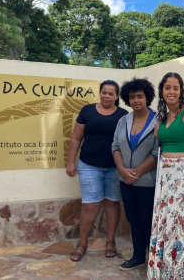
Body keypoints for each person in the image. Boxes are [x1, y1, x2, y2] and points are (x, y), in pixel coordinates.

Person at [66, 80, 128, 262]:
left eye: (111, 93)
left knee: (112, 204)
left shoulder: (124, 115)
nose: (106, 96)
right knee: (90, 205)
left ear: (117, 96)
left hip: (114, 168)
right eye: (104, 92)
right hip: (88, 165)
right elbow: (76, 138)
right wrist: (71, 162)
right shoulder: (87, 111)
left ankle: (110, 241)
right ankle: (82, 243)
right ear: (99, 93)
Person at [147, 72, 184, 280]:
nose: (171, 91)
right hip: (165, 178)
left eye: (175, 88)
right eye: (167, 87)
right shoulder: (161, 118)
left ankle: (180, 274)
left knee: (180, 225)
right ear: (161, 91)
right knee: (164, 223)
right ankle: (162, 271)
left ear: (181, 91)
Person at [111, 77, 159, 271]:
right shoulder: (124, 120)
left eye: (140, 96)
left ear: (147, 97)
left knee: (148, 220)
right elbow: (115, 146)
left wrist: (137, 172)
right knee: (133, 219)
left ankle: (154, 258)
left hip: (147, 181)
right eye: (132, 97)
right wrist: (123, 170)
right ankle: (139, 256)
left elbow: (158, 151)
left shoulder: (158, 119)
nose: (136, 100)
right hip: (126, 181)